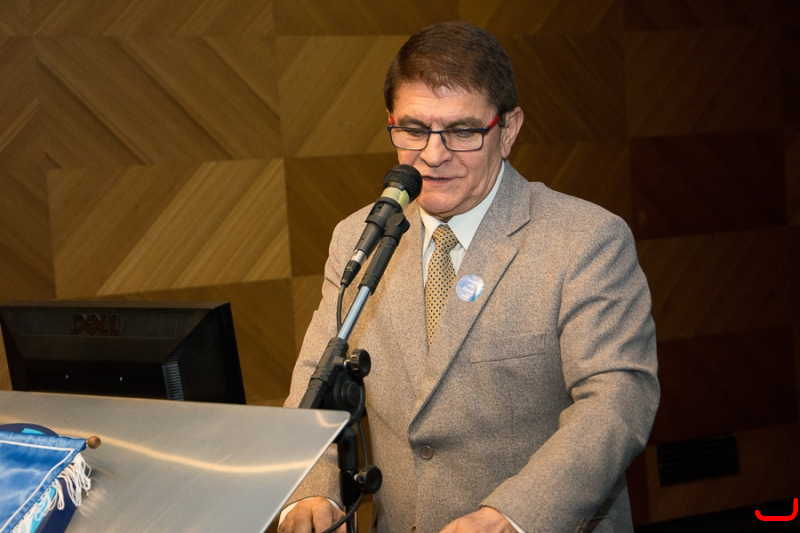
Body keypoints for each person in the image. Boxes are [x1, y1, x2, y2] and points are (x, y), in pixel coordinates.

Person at [280, 21, 659, 533]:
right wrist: (314, 490)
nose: (433, 156)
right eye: (414, 130)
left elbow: (617, 401)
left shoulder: (584, 240)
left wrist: (512, 515)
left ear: (508, 130)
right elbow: (317, 380)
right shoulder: (359, 237)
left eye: (462, 131)